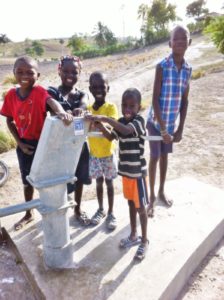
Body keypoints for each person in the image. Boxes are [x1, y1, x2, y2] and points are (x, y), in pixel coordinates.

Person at [0, 56, 73, 230]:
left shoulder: (39, 92)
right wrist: (20, 143)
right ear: (14, 73)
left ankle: (52, 209)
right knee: (27, 181)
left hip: (44, 144)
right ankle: (28, 213)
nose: (24, 75)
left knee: (47, 179)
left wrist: (62, 112)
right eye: (20, 72)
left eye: (29, 72)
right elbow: (9, 121)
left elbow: (52, 102)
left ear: (37, 75)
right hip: (25, 146)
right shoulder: (11, 95)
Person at [86, 88, 149, 261]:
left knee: (141, 208)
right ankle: (133, 235)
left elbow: (127, 131)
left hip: (138, 175)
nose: (127, 109)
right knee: (130, 204)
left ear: (139, 107)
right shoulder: (120, 121)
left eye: (132, 106)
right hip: (127, 174)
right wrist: (100, 125)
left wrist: (105, 118)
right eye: (124, 105)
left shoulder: (138, 121)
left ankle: (144, 241)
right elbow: (109, 137)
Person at [146, 25, 192, 217]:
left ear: (189, 42)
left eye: (184, 39)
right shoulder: (162, 66)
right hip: (156, 123)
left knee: (165, 157)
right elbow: (155, 99)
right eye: (176, 39)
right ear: (170, 43)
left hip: (171, 125)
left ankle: (162, 191)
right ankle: (151, 197)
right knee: (155, 157)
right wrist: (163, 129)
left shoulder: (188, 69)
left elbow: (185, 100)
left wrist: (179, 129)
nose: (180, 42)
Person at [48, 55, 91, 226]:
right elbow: (51, 104)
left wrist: (80, 109)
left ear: (79, 73)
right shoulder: (52, 92)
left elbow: (84, 103)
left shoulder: (81, 94)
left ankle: (78, 209)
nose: (70, 75)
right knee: (60, 180)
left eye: (74, 71)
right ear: (59, 71)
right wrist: (61, 112)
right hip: (59, 146)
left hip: (79, 145)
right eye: (66, 71)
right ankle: (60, 210)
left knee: (79, 178)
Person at [88, 71, 118, 230]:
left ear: (108, 88)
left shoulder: (111, 107)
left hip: (108, 154)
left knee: (109, 183)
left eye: (102, 86)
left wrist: (98, 122)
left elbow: (111, 130)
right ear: (90, 89)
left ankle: (112, 212)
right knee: (98, 182)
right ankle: (101, 209)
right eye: (95, 87)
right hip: (94, 155)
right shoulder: (87, 109)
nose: (98, 89)